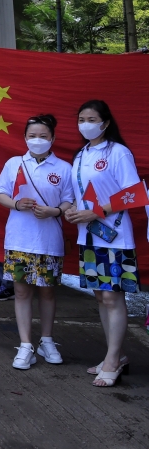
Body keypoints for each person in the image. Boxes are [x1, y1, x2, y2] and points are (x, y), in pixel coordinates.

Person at [63, 100, 140, 387]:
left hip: (115, 237)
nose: (85, 124)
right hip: (88, 235)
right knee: (99, 296)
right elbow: (77, 193)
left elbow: (134, 194)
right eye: (81, 118)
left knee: (112, 296)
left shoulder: (118, 152)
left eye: (91, 118)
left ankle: (113, 359)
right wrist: (72, 209)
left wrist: (98, 211)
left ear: (105, 122)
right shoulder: (81, 154)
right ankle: (114, 355)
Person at [0, 115, 75, 370]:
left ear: (52, 138)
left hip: (49, 240)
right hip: (19, 238)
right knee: (21, 291)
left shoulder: (63, 168)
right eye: (32, 136)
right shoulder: (14, 164)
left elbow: (69, 200)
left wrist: (55, 211)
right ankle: (26, 344)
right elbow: (0, 194)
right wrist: (17, 204)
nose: (37, 140)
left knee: (48, 291)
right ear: (25, 138)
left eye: (43, 136)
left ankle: (47, 340)